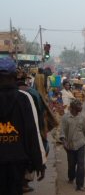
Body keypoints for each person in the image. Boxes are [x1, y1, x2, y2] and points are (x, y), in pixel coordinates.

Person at [0, 57, 45, 195]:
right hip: (18, 161)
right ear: (15, 76)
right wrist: (39, 162)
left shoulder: (25, 98)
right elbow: (33, 132)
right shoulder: (24, 99)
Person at [60, 99, 85, 192]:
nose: (81, 107)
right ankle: (71, 177)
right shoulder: (65, 118)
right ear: (73, 108)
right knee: (71, 164)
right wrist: (64, 142)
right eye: (79, 106)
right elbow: (62, 132)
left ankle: (80, 185)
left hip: (80, 144)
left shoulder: (82, 118)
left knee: (81, 165)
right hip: (70, 145)